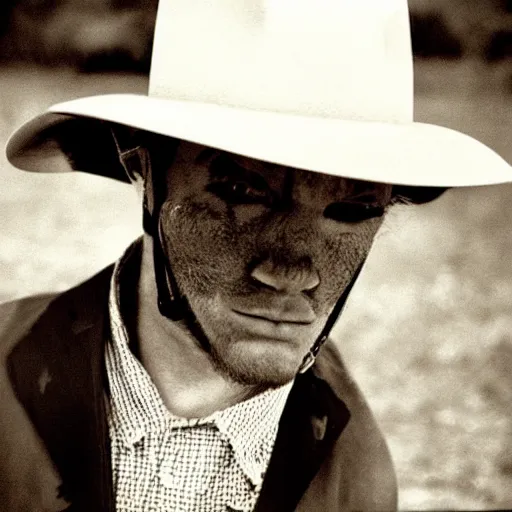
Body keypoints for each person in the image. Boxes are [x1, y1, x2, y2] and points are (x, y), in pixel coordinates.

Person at [0, 0, 510, 511]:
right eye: (242, 191)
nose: (291, 273)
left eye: (352, 211)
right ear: (145, 171)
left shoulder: (355, 476)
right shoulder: (8, 365)